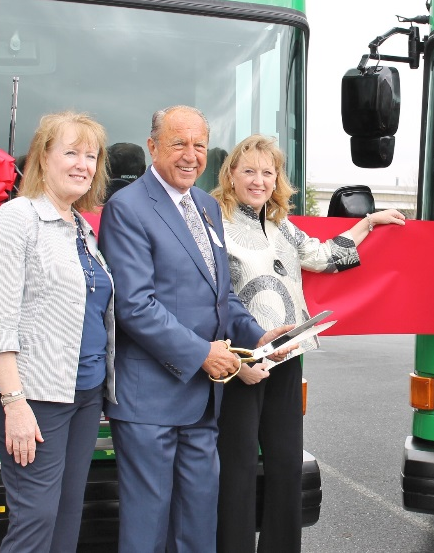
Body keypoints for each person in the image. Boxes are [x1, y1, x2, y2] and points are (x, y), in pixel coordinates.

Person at [98, 106, 292, 552]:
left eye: (199, 145)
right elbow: (135, 305)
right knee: (147, 531)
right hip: (150, 401)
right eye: (178, 143)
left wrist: (255, 336)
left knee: (199, 526)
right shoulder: (127, 208)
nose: (190, 155)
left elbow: (220, 295)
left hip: (204, 402)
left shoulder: (206, 205)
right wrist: (203, 353)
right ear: (152, 147)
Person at [211, 134, 405, 553]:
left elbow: (321, 256)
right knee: (237, 467)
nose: (259, 180)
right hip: (239, 361)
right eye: (249, 171)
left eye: (268, 172)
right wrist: (237, 355)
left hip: (287, 356)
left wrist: (368, 223)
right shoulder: (214, 222)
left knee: (285, 465)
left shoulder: (280, 224)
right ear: (231, 175)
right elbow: (212, 295)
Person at [0, 111, 114, 552]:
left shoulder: (81, 227)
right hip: (34, 398)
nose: (83, 164)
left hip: (84, 393)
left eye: (90, 156)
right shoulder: (16, 219)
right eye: (70, 152)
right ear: (42, 158)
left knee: (68, 514)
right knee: (35, 519)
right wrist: (15, 404)